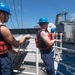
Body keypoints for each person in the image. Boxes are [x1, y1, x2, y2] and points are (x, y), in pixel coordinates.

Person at [0, 3, 31, 75]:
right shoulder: (3, 28)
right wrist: (24, 37)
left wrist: (13, 51)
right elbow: (16, 44)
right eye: (8, 15)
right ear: (2, 14)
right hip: (3, 60)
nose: (8, 17)